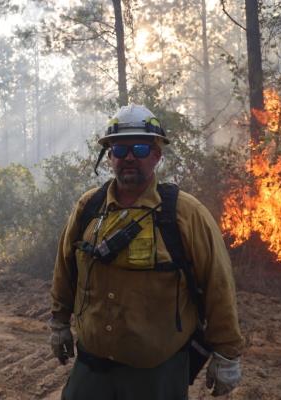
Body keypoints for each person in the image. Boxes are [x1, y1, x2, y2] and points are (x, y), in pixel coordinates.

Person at [49, 104, 243, 399]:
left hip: (157, 374)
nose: (129, 157)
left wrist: (227, 353)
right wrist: (59, 322)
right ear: (109, 156)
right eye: (120, 149)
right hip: (92, 366)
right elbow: (65, 267)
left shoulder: (184, 213)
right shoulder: (88, 207)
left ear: (157, 154)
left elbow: (218, 283)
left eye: (139, 149)